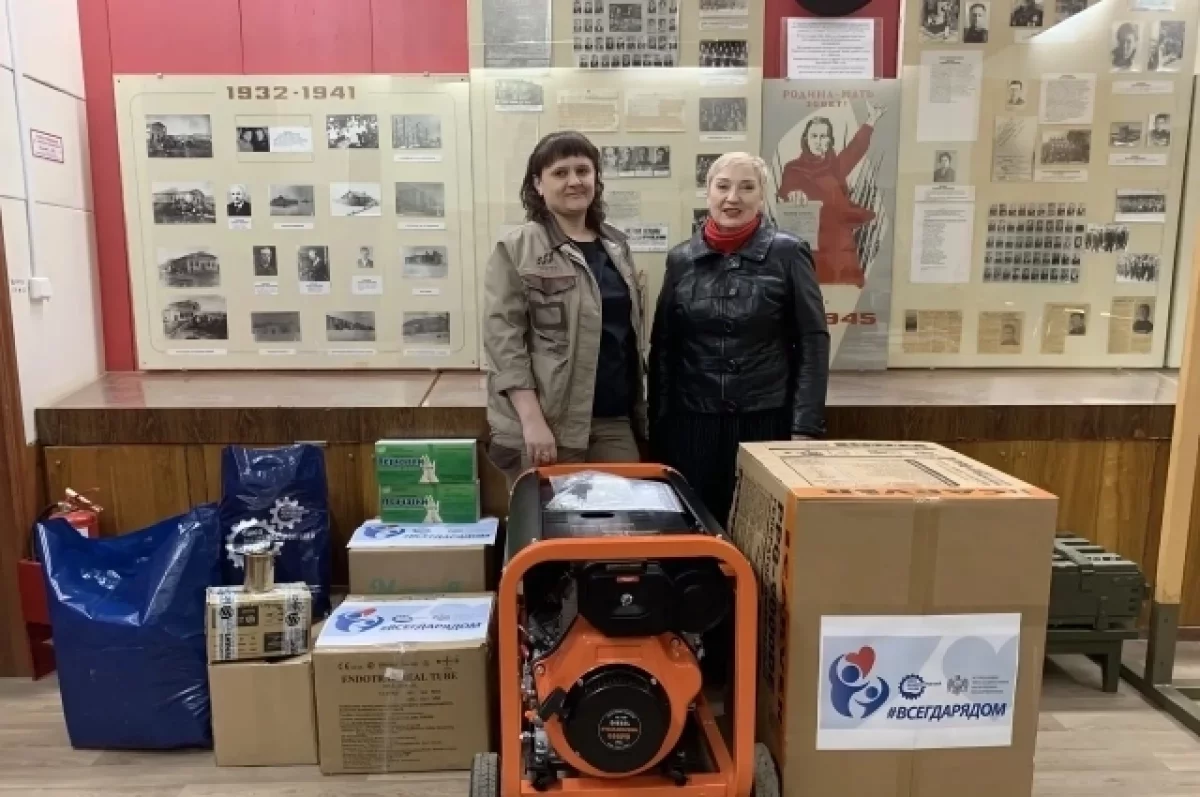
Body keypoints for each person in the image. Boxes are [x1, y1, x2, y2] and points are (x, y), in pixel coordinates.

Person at [649, 152, 829, 527]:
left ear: (762, 196)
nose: (733, 198)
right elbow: (664, 348)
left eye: (747, 187)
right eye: (723, 186)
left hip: (764, 421)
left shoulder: (788, 253)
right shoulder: (681, 260)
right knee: (694, 528)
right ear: (708, 192)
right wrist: (659, 426)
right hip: (692, 425)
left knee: (757, 528)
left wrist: (805, 426)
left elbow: (813, 341)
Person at [482, 131, 647, 486]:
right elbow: (504, 343)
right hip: (548, 426)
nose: (574, 181)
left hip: (613, 421)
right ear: (538, 184)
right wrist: (532, 421)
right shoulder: (516, 248)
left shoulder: (616, 247)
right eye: (560, 173)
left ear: (596, 179)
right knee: (548, 519)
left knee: (625, 514)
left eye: (583, 171)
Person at [776, 101, 886, 287]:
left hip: (838, 242)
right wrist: (793, 194)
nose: (819, 141)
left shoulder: (835, 166)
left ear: (829, 140)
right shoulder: (793, 168)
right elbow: (788, 188)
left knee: (844, 290)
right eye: (814, 136)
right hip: (809, 243)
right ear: (806, 139)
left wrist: (871, 120)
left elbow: (855, 149)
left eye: (823, 136)